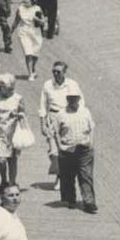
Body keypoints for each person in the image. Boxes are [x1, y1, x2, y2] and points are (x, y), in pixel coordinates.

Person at [39, 61, 84, 191]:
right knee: (54, 152)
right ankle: (61, 174)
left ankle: (61, 177)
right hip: (52, 118)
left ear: (64, 72)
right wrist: (42, 125)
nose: (56, 74)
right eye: (54, 71)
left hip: (68, 117)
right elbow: (42, 106)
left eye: (58, 71)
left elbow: (80, 102)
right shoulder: (47, 85)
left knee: (65, 150)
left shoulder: (72, 85)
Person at [55, 91, 97, 213]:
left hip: (84, 148)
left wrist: (91, 142)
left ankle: (89, 201)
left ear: (79, 98)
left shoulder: (85, 111)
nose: (73, 101)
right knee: (68, 176)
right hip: (67, 149)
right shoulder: (61, 114)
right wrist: (60, 147)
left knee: (86, 175)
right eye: (70, 98)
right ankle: (70, 199)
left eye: (75, 98)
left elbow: (91, 127)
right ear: (67, 99)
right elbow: (55, 132)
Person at [10, 0, 45, 82]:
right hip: (24, 32)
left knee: (35, 52)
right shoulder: (20, 9)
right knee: (28, 53)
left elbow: (43, 21)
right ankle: (30, 74)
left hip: (35, 33)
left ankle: (32, 68)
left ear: (31, 0)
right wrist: (10, 32)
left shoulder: (37, 9)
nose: (24, 0)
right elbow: (16, 21)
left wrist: (37, 20)